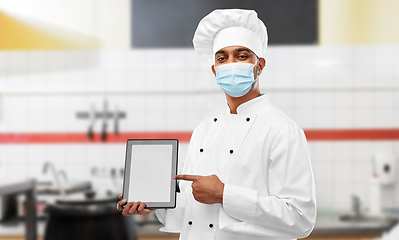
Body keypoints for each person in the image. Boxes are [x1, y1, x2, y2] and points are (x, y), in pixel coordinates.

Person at [117, 9, 316, 240]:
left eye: (242, 56)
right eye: (222, 58)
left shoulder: (282, 130)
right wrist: (155, 203)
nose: (231, 63)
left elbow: (301, 218)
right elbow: (195, 215)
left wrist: (224, 194)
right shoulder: (204, 131)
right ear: (215, 70)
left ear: (259, 65)